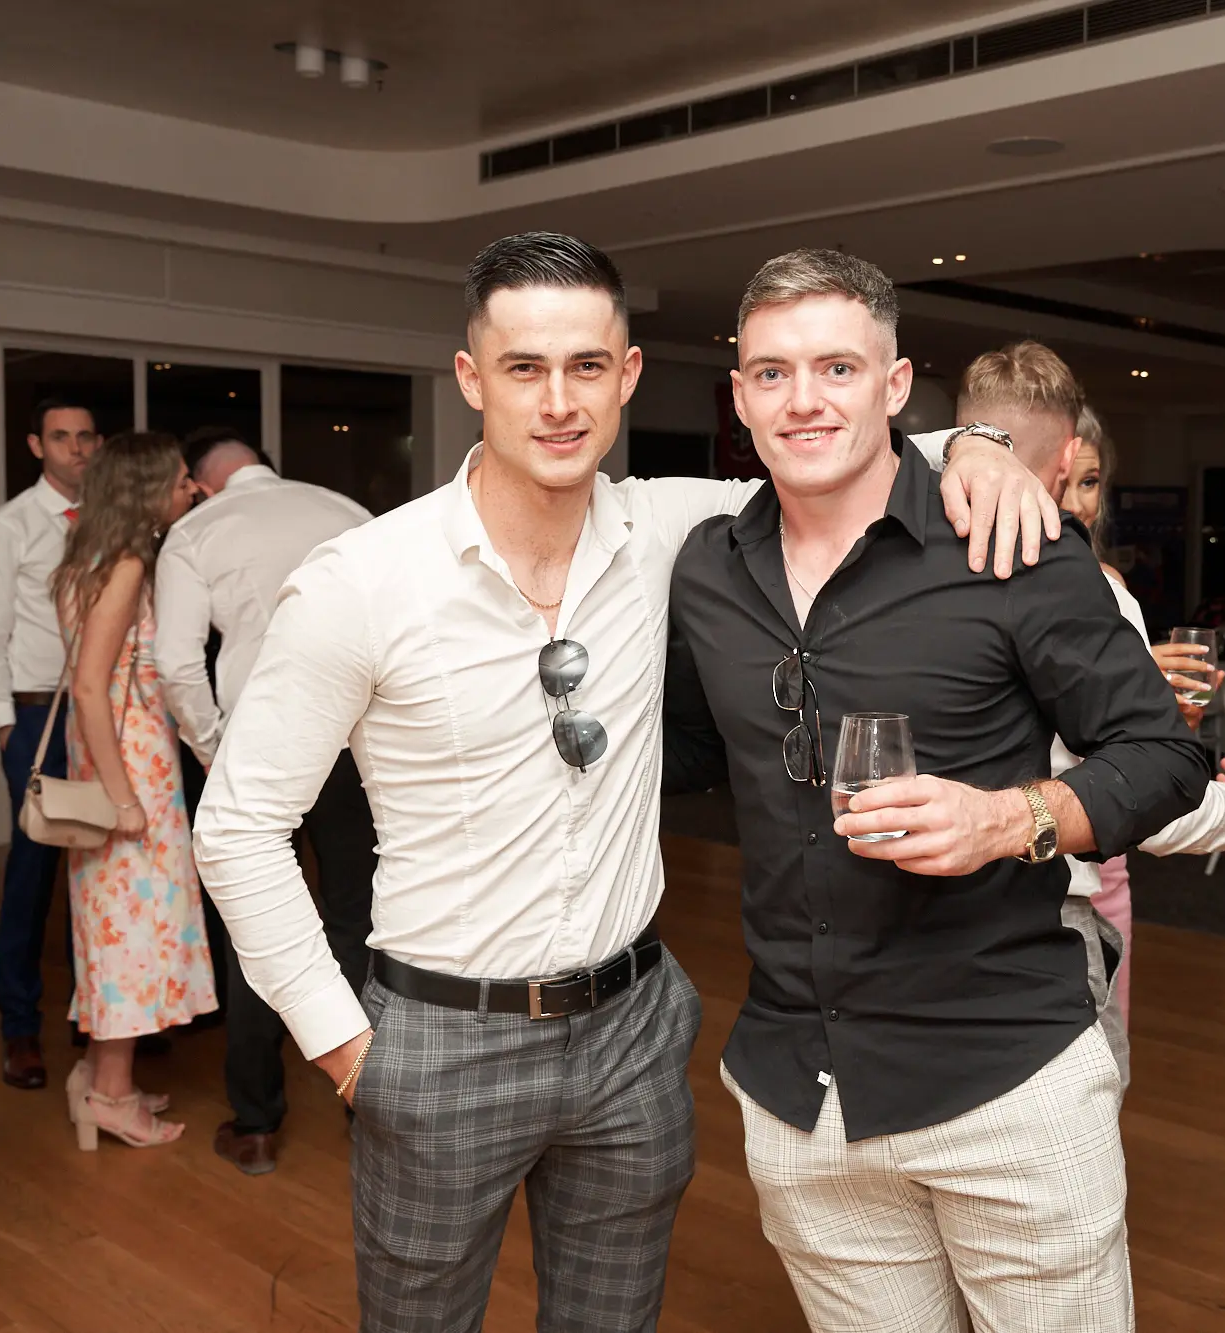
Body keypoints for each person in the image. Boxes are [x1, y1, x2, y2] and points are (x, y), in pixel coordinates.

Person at [190, 231, 1053, 1332]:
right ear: (471, 379)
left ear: (627, 375)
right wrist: (346, 1046)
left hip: (631, 1034)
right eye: (524, 367)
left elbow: (836, 437)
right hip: (439, 1040)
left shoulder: (665, 527)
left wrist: (979, 442)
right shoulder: (360, 583)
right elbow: (240, 827)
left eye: (586, 366)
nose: (558, 402)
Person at [661, 251, 1210, 1331]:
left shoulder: (1011, 542)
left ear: (896, 384)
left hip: (1005, 1084)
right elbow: (681, 756)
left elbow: (1162, 754)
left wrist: (1009, 818)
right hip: (801, 1098)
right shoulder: (707, 569)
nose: (804, 399)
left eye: (837, 367)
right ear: (739, 398)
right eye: (771, 373)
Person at [931, 350, 1225, 1046]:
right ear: (1064, 459)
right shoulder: (1085, 592)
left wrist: (1148, 718)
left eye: (1096, 484)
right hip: (1040, 923)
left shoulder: (898, 569)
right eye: (1078, 477)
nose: (1080, 500)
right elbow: (1142, 809)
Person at [153, 425, 377, 1176]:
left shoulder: (195, 531)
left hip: (258, 743)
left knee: (256, 920)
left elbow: (177, 665)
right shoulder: (344, 510)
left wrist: (214, 747)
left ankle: (254, 1122)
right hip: (352, 742)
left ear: (200, 482)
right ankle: (370, 1106)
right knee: (358, 918)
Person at [55, 431, 217, 1150]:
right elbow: (91, 687)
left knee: (115, 930)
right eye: (181, 479)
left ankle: (99, 1075)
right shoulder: (123, 565)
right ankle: (111, 1098)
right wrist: (123, 798)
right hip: (128, 769)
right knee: (132, 937)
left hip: (114, 762)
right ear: (146, 490)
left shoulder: (90, 559)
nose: (192, 488)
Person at [0, 395, 97, 1090]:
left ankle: (95, 1012)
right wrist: (3, 725)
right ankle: (19, 1026)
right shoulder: (7, 526)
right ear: (36, 445)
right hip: (35, 718)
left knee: (98, 869)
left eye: (85, 436)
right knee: (32, 873)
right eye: (61, 436)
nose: (76, 448)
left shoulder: (105, 521)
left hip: (100, 717)